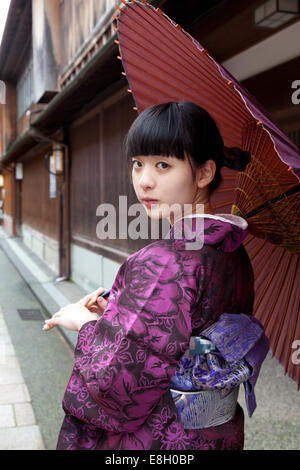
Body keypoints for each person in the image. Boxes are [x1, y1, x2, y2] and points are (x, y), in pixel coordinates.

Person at [44, 101, 269, 450]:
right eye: (137, 164)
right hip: (217, 436)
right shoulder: (232, 250)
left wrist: (86, 326)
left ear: (204, 173)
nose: (144, 181)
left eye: (163, 165)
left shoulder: (166, 262)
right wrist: (118, 314)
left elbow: (116, 383)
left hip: (162, 438)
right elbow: (179, 331)